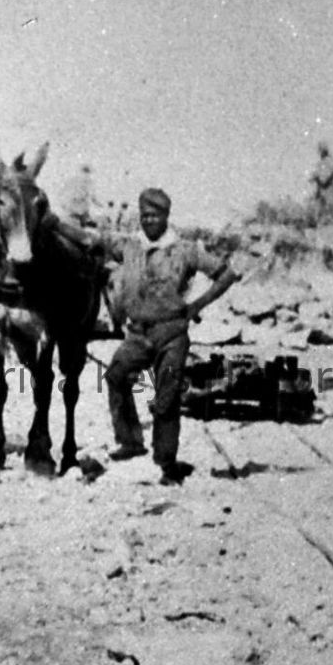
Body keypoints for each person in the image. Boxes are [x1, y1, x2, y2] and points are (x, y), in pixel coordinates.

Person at [104, 187, 240, 484]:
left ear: (166, 216)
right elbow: (94, 244)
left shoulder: (185, 250)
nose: (148, 220)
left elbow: (226, 275)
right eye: (144, 215)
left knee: (166, 396)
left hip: (172, 335)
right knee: (116, 376)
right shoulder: (130, 246)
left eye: (154, 215)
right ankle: (130, 441)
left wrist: (196, 306)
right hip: (138, 333)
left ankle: (167, 463)